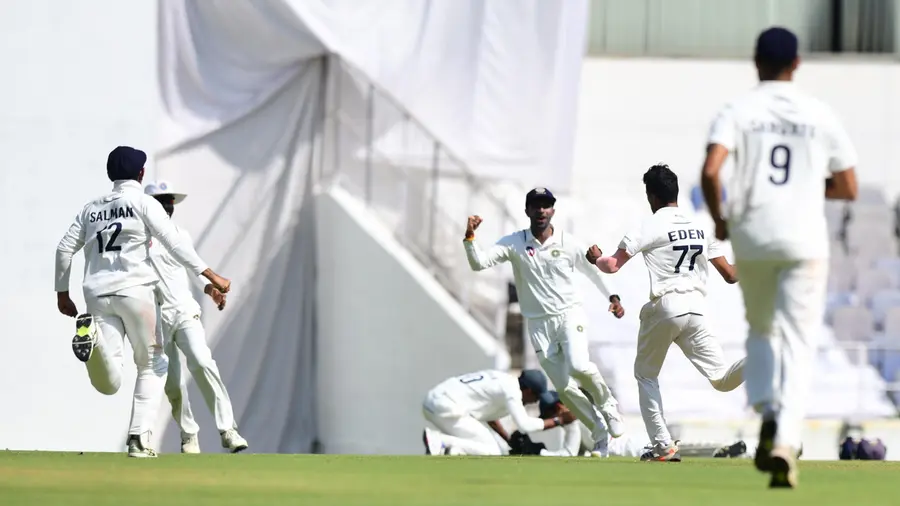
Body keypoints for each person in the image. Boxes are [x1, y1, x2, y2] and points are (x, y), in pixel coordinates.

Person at [699, 26, 859, 488]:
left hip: (753, 234)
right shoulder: (819, 113)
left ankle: (767, 411)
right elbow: (848, 186)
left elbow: (711, 172)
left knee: (761, 329)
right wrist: (809, 188)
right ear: (797, 64)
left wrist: (721, 219)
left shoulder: (738, 110)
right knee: (800, 340)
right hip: (804, 239)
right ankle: (786, 438)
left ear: (755, 61)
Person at [55, 146, 231, 458]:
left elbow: (64, 249)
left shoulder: (91, 209)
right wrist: (210, 274)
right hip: (135, 292)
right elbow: (173, 241)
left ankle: (92, 340)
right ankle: (138, 439)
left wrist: (62, 293)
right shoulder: (143, 202)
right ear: (141, 174)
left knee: (110, 382)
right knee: (153, 362)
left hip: (96, 294)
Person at [587, 164, 745, 462]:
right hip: (696, 308)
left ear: (652, 196)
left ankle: (663, 446)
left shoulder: (648, 225)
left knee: (645, 375)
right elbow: (731, 275)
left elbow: (612, 266)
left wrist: (596, 259)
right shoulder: (700, 226)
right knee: (722, 379)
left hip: (666, 305)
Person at [463, 188, 626, 454]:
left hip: (569, 315)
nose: (541, 211)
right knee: (564, 387)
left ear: (553, 210)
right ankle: (599, 434)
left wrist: (613, 297)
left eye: (546, 206)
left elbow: (594, 271)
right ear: (527, 210)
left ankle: (609, 407)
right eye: (536, 206)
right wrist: (470, 236)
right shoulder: (514, 243)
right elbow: (479, 263)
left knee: (579, 365)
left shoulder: (569, 242)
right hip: (538, 325)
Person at [144, 181, 249, 454]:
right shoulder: (137, 239)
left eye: (169, 201)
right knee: (173, 383)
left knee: (202, 362)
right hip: (154, 318)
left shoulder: (180, 234)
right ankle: (188, 433)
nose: (167, 206)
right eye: (160, 201)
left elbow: (190, 268)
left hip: (184, 311)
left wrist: (209, 289)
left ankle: (228, 429)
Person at [422, 369, 574, 456]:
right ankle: (440, 440)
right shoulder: (512, 391)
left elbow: (491, 419)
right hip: (446, 405)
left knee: (482, 445)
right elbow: (525, 425)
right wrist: (559, 421)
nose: (535, 401)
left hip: (438, 402)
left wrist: (507, 439)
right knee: (492, 450)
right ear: (528, 390)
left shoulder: (504, 380)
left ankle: (454, 450)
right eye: (536, 396)